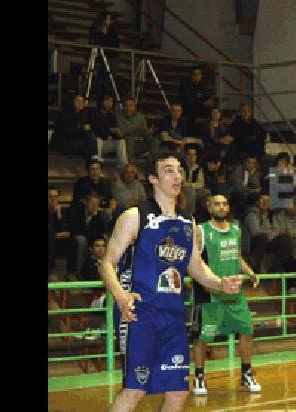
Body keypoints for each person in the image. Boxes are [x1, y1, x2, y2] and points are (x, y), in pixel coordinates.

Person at [98, 153, 243, 412]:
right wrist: (121, 295)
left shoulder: (188, 223)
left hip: (173, 316)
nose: (177, 175)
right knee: (135, 390)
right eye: (168, 170)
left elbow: (196, 268)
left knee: (178, 391)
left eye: (179, 170)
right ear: (153, 179)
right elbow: (107, 263)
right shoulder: (135, 216)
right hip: (139, 315)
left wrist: (221, 283)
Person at [190, 194, 262, 396]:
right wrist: (206, 281)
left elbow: (237, 256)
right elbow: (194, 259)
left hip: (235, 293)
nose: (221, 207)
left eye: (224, 204)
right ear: (209, 206)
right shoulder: (202, 231)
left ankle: (246, 372)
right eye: (216, 204)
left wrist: (250, 272)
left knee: (247, 330)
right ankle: (199, 377)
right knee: (203, 337)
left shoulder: (236, 230)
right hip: (212, 293)